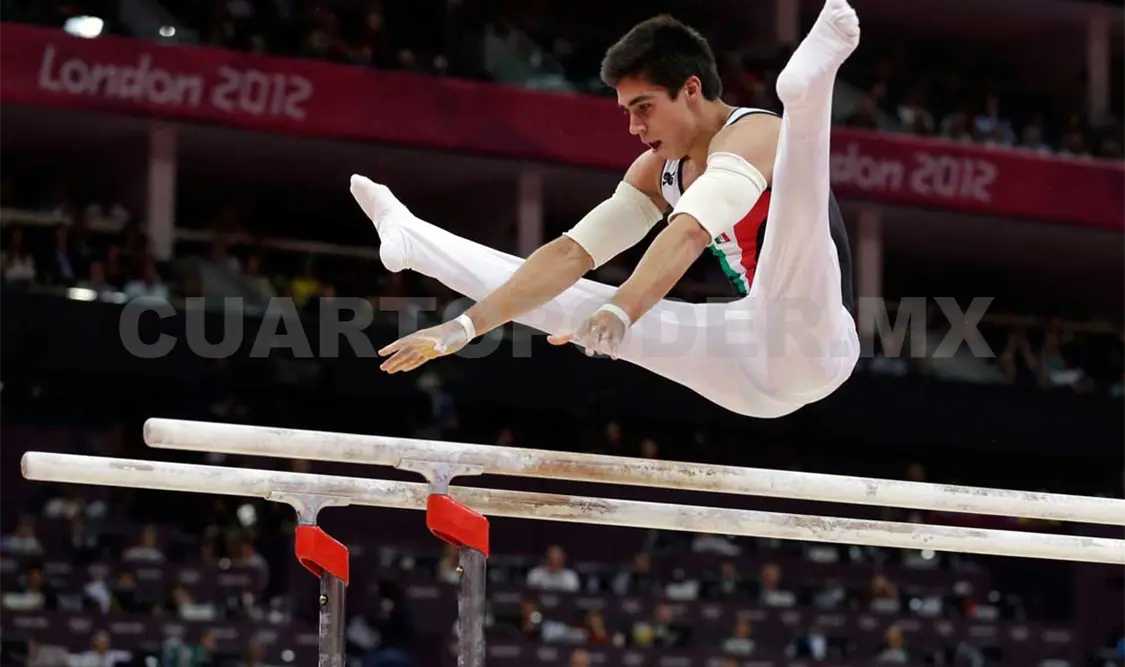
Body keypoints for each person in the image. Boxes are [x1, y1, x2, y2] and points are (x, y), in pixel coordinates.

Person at [351, 0, 861, 418]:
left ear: (690, 89)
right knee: (581, 303)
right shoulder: (655, 171)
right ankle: (414, 239)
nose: (635, 128)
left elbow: (689, 232)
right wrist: (462, 328)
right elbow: (572, 253)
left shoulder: (754, 134)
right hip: (745, 359)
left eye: (644, 108)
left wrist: (622, 311)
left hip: (815, 341)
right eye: (627, 113)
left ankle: (809, 97)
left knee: (797, 218)